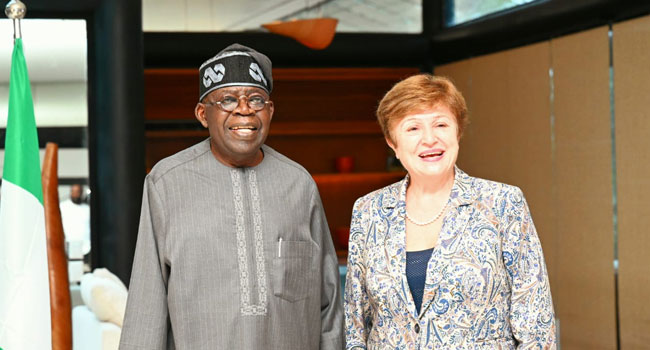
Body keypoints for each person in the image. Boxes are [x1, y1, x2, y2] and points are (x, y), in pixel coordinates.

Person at [120, 44, 344, 350]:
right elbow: (147, 305)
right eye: (227, 99)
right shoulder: (167, 182)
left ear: (270, 110)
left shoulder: (299, 184)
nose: (244, 109)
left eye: (256, 99)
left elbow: (329, 302)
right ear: (203, 114)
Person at [344, 74, 556, 349]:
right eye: (413, 129)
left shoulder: (503, 203)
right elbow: (355, 323)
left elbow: (537, 326)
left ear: (458, 132)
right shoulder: (369, 210)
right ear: (392, 142)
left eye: (441, 124)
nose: (429, 139)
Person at [59, 183, 91, 257]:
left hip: (86, 248)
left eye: (78, 192)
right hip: (67, 248)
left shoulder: (87, 209)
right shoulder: (63, 207)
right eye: (73, 191)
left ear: (81, 193)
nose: (75, 194)